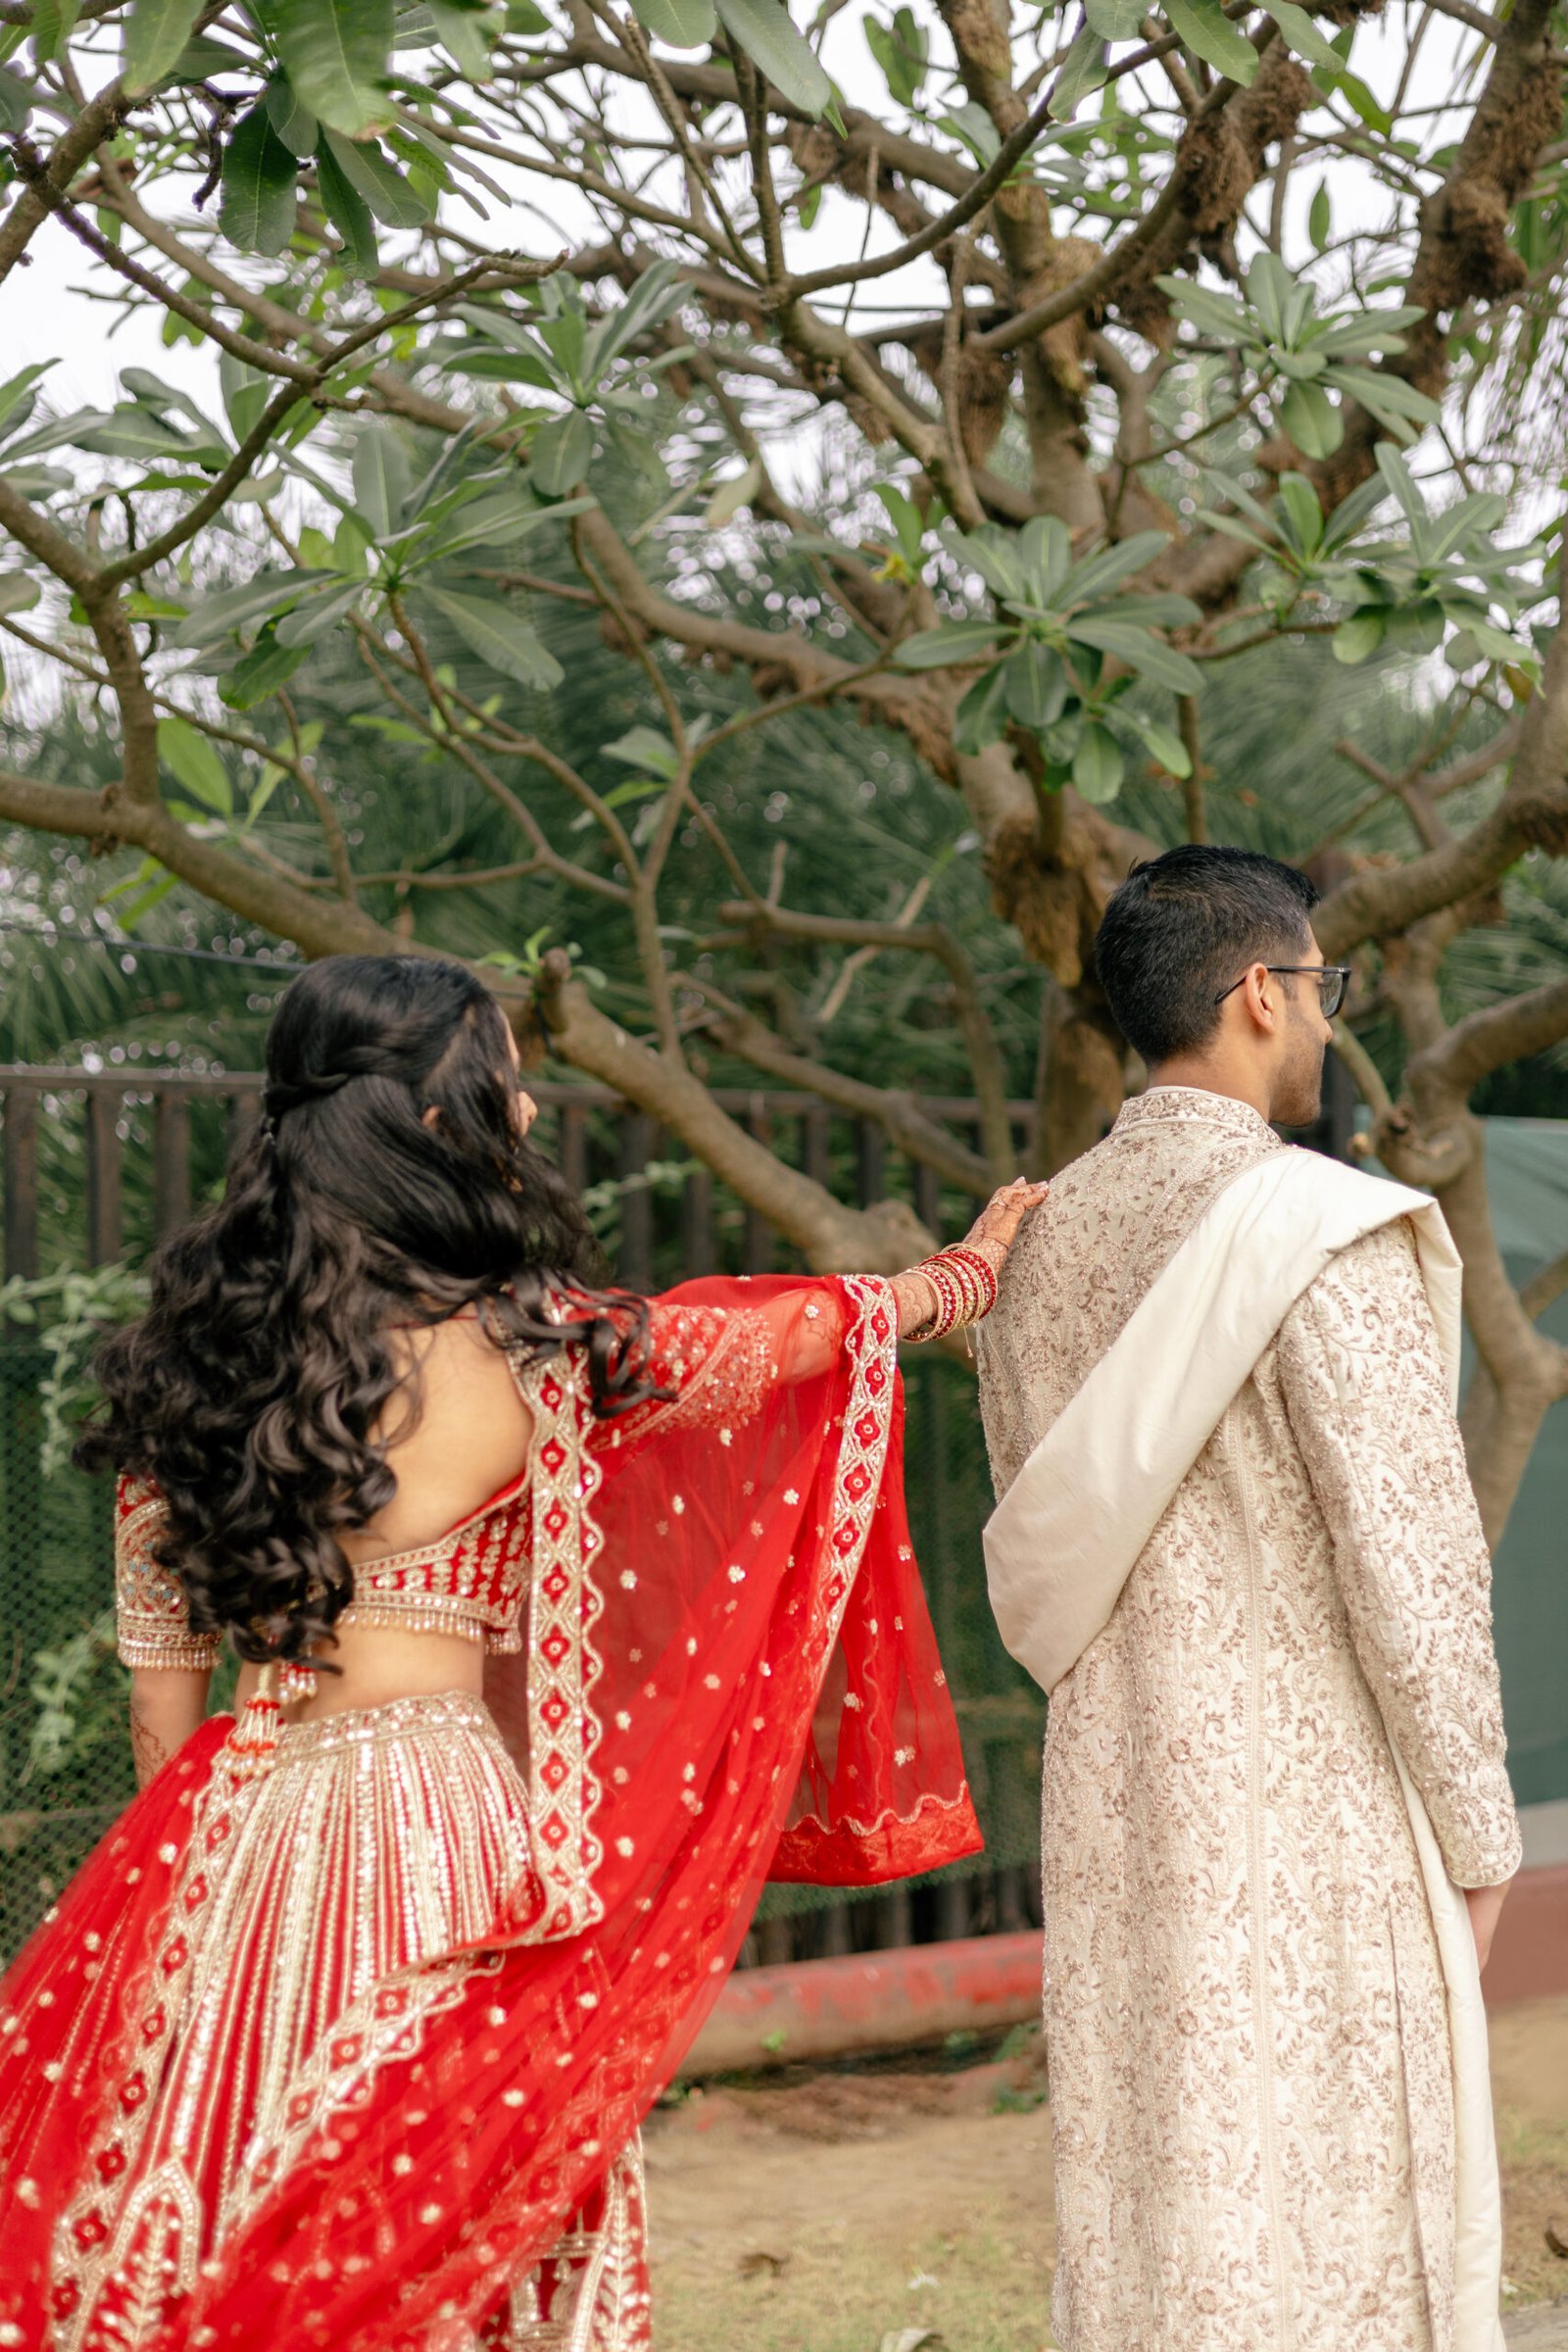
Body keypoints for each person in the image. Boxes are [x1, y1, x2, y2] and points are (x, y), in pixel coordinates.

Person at [0, 953, 1046, 2352]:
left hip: (235, 1838)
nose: (533, 1109)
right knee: (447, 2199)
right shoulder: (529, 1347)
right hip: (435, 1828)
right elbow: (772, 1342)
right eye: (506, 1078)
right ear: (437, 1121)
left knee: (222, 2188)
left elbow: (159, 1709)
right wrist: (950, 1282)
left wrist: (193, 1920)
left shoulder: (187, 1366)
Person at [976, 845, 1520, 2352]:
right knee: (1332, 2221)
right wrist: (1479, 1838)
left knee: (1156, 2205)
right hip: (1314, 1810)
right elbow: (1412, 1564)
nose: (1327, 1021)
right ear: (1262, 995)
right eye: (1322, 990)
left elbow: (1042, 1547)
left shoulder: (1030, 1245)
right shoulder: (1320, 1226)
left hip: (1119, 1806)